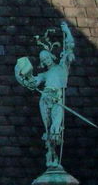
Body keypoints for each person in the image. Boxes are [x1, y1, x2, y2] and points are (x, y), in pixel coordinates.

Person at [14, 21, 76, 168]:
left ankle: (55, 158)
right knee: (48, 129)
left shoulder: (62, 67)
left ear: (51, 56)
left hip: (57, 98)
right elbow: (32, 83)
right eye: (43, 60)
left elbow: (69, 47)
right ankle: (51, 155)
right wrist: (22, 74)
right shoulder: (45, 74)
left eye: (47, 57)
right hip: (45, 98)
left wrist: (67, 31)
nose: (46, 61)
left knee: (56, 128)